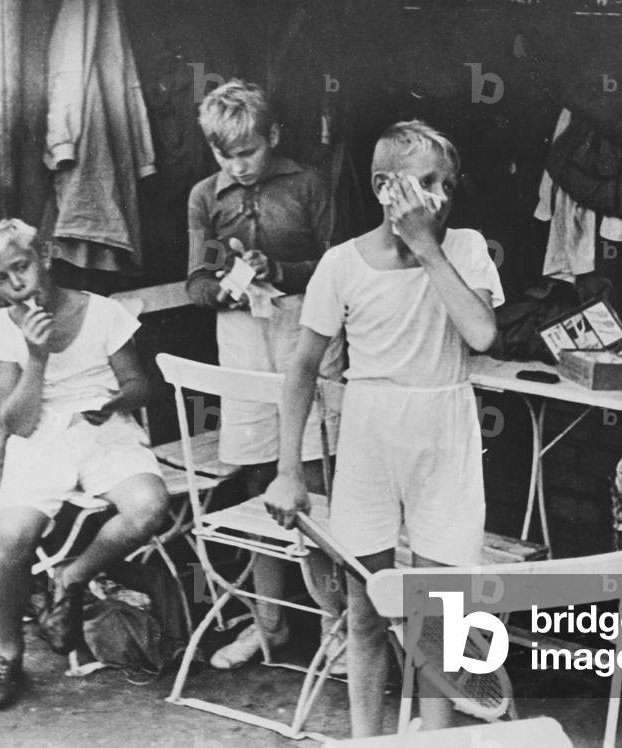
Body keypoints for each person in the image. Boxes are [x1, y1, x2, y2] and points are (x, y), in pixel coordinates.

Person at [264, 120, 504, 737]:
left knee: (439, 615)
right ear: (383, 187)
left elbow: (480, 335)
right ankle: (366, 737)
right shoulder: (342, 264)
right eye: (426, 182)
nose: (440, 197)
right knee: (366, 607)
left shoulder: (466, 247)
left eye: (448, 184)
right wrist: (289, 471)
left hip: (445, 427)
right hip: (370, 432)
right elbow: (300, 371)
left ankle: (435, 737)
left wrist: (429, 248)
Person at [0, 219, 170, 708]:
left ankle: (73, 576)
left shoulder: (101, 312)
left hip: (103, 426)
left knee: (149, 507)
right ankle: (7, 654)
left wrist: (115, 400)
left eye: (23, 266)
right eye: (1, 278)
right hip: (39, 435)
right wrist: (36, 358)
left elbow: (142, 387)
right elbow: (15, 422)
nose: (17, 282)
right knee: (13, 534)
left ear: (46, 257)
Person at [186, 79, 345, 670]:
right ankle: (269, 625)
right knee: (258, 480)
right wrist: (220, 289)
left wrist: (277, 267)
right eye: (225, 154)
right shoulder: (205, 195)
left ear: (272, 136)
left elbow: (336, 266)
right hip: (242, 337)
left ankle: (339, 627)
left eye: (247, 151)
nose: (238, 165)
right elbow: (194, 281)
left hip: (305, 328)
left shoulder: (308, 183)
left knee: (312, 479)